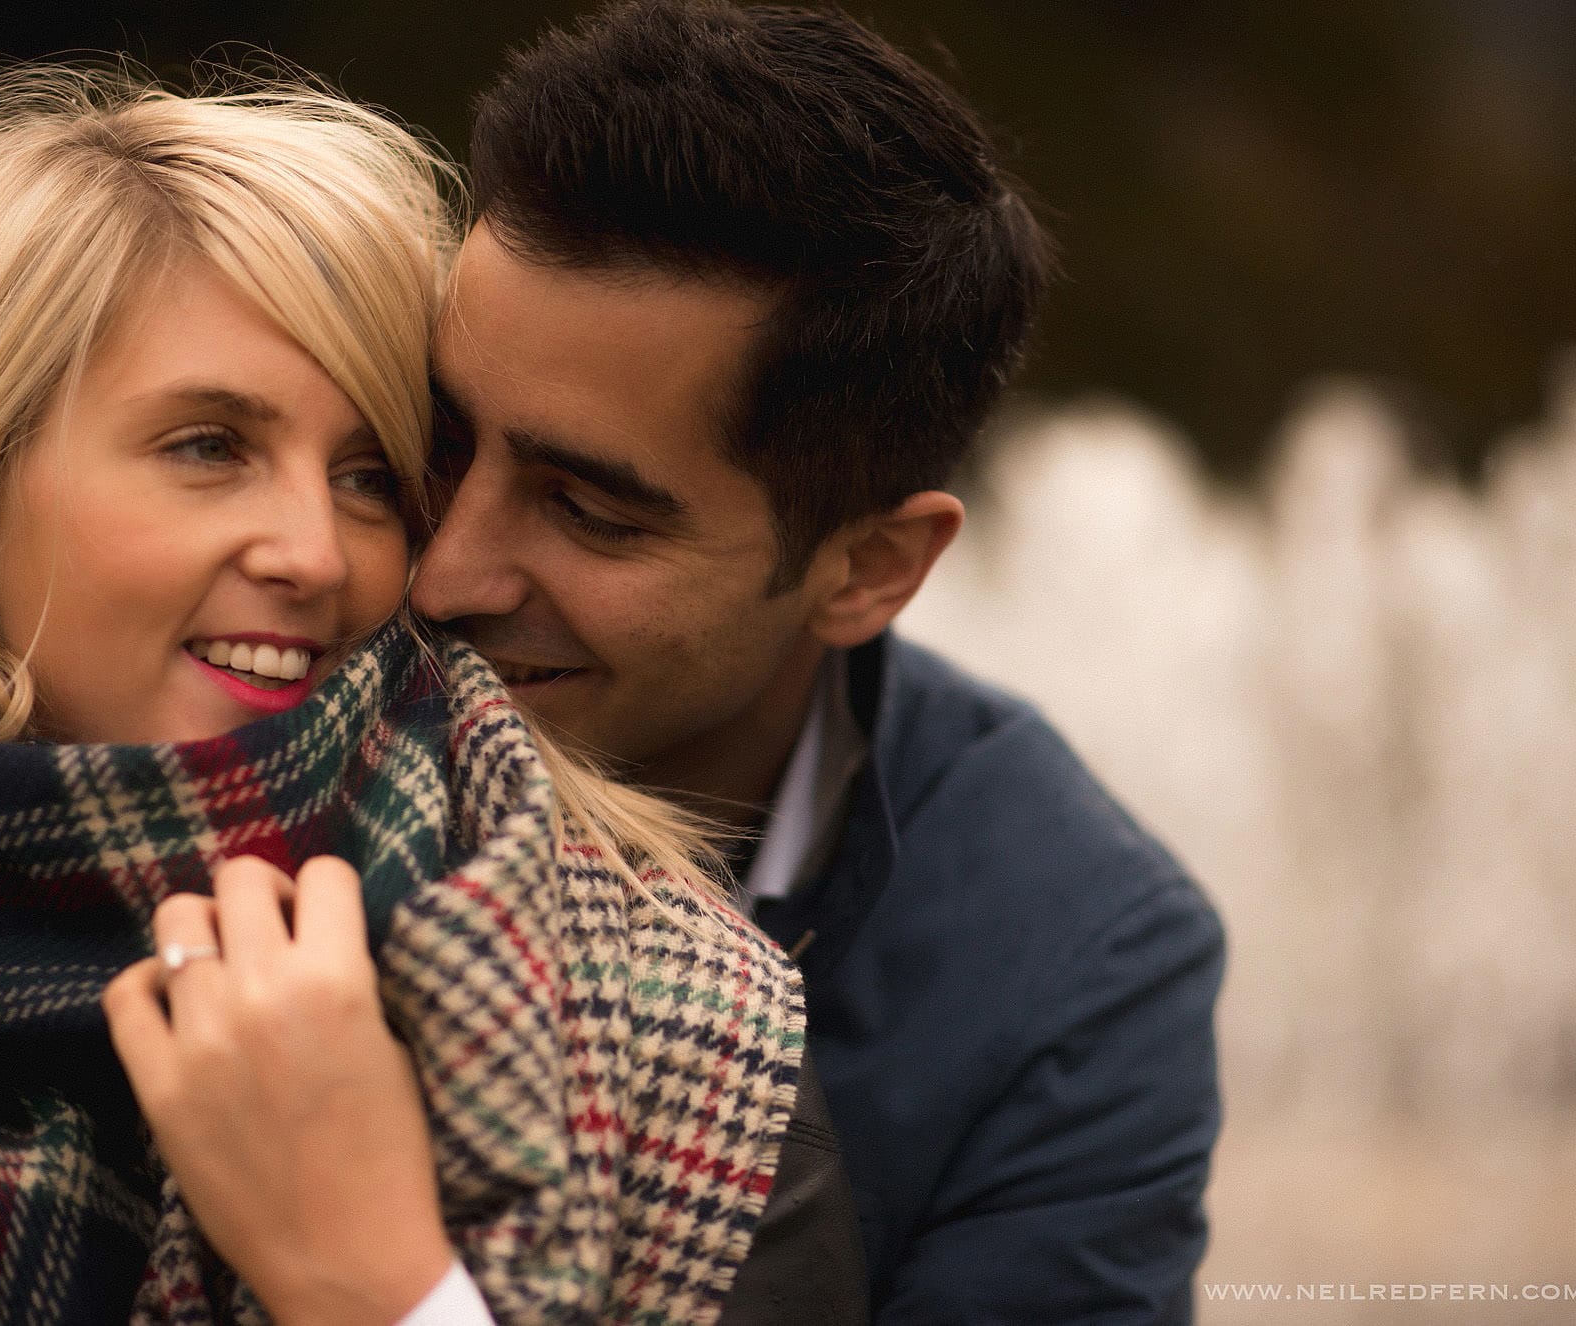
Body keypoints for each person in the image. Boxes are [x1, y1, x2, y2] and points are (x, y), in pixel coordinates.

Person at [0, 65, 866, 1325]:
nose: (315, 555)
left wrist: (378, 1283)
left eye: (369, 475)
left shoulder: (677, 1046)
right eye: (208, 447)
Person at [409, 2, 1227, 1320]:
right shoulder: (248, 677)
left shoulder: (1071, 979)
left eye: (588, 510)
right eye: (437, 439)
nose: (440, 577)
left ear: (869, 570)